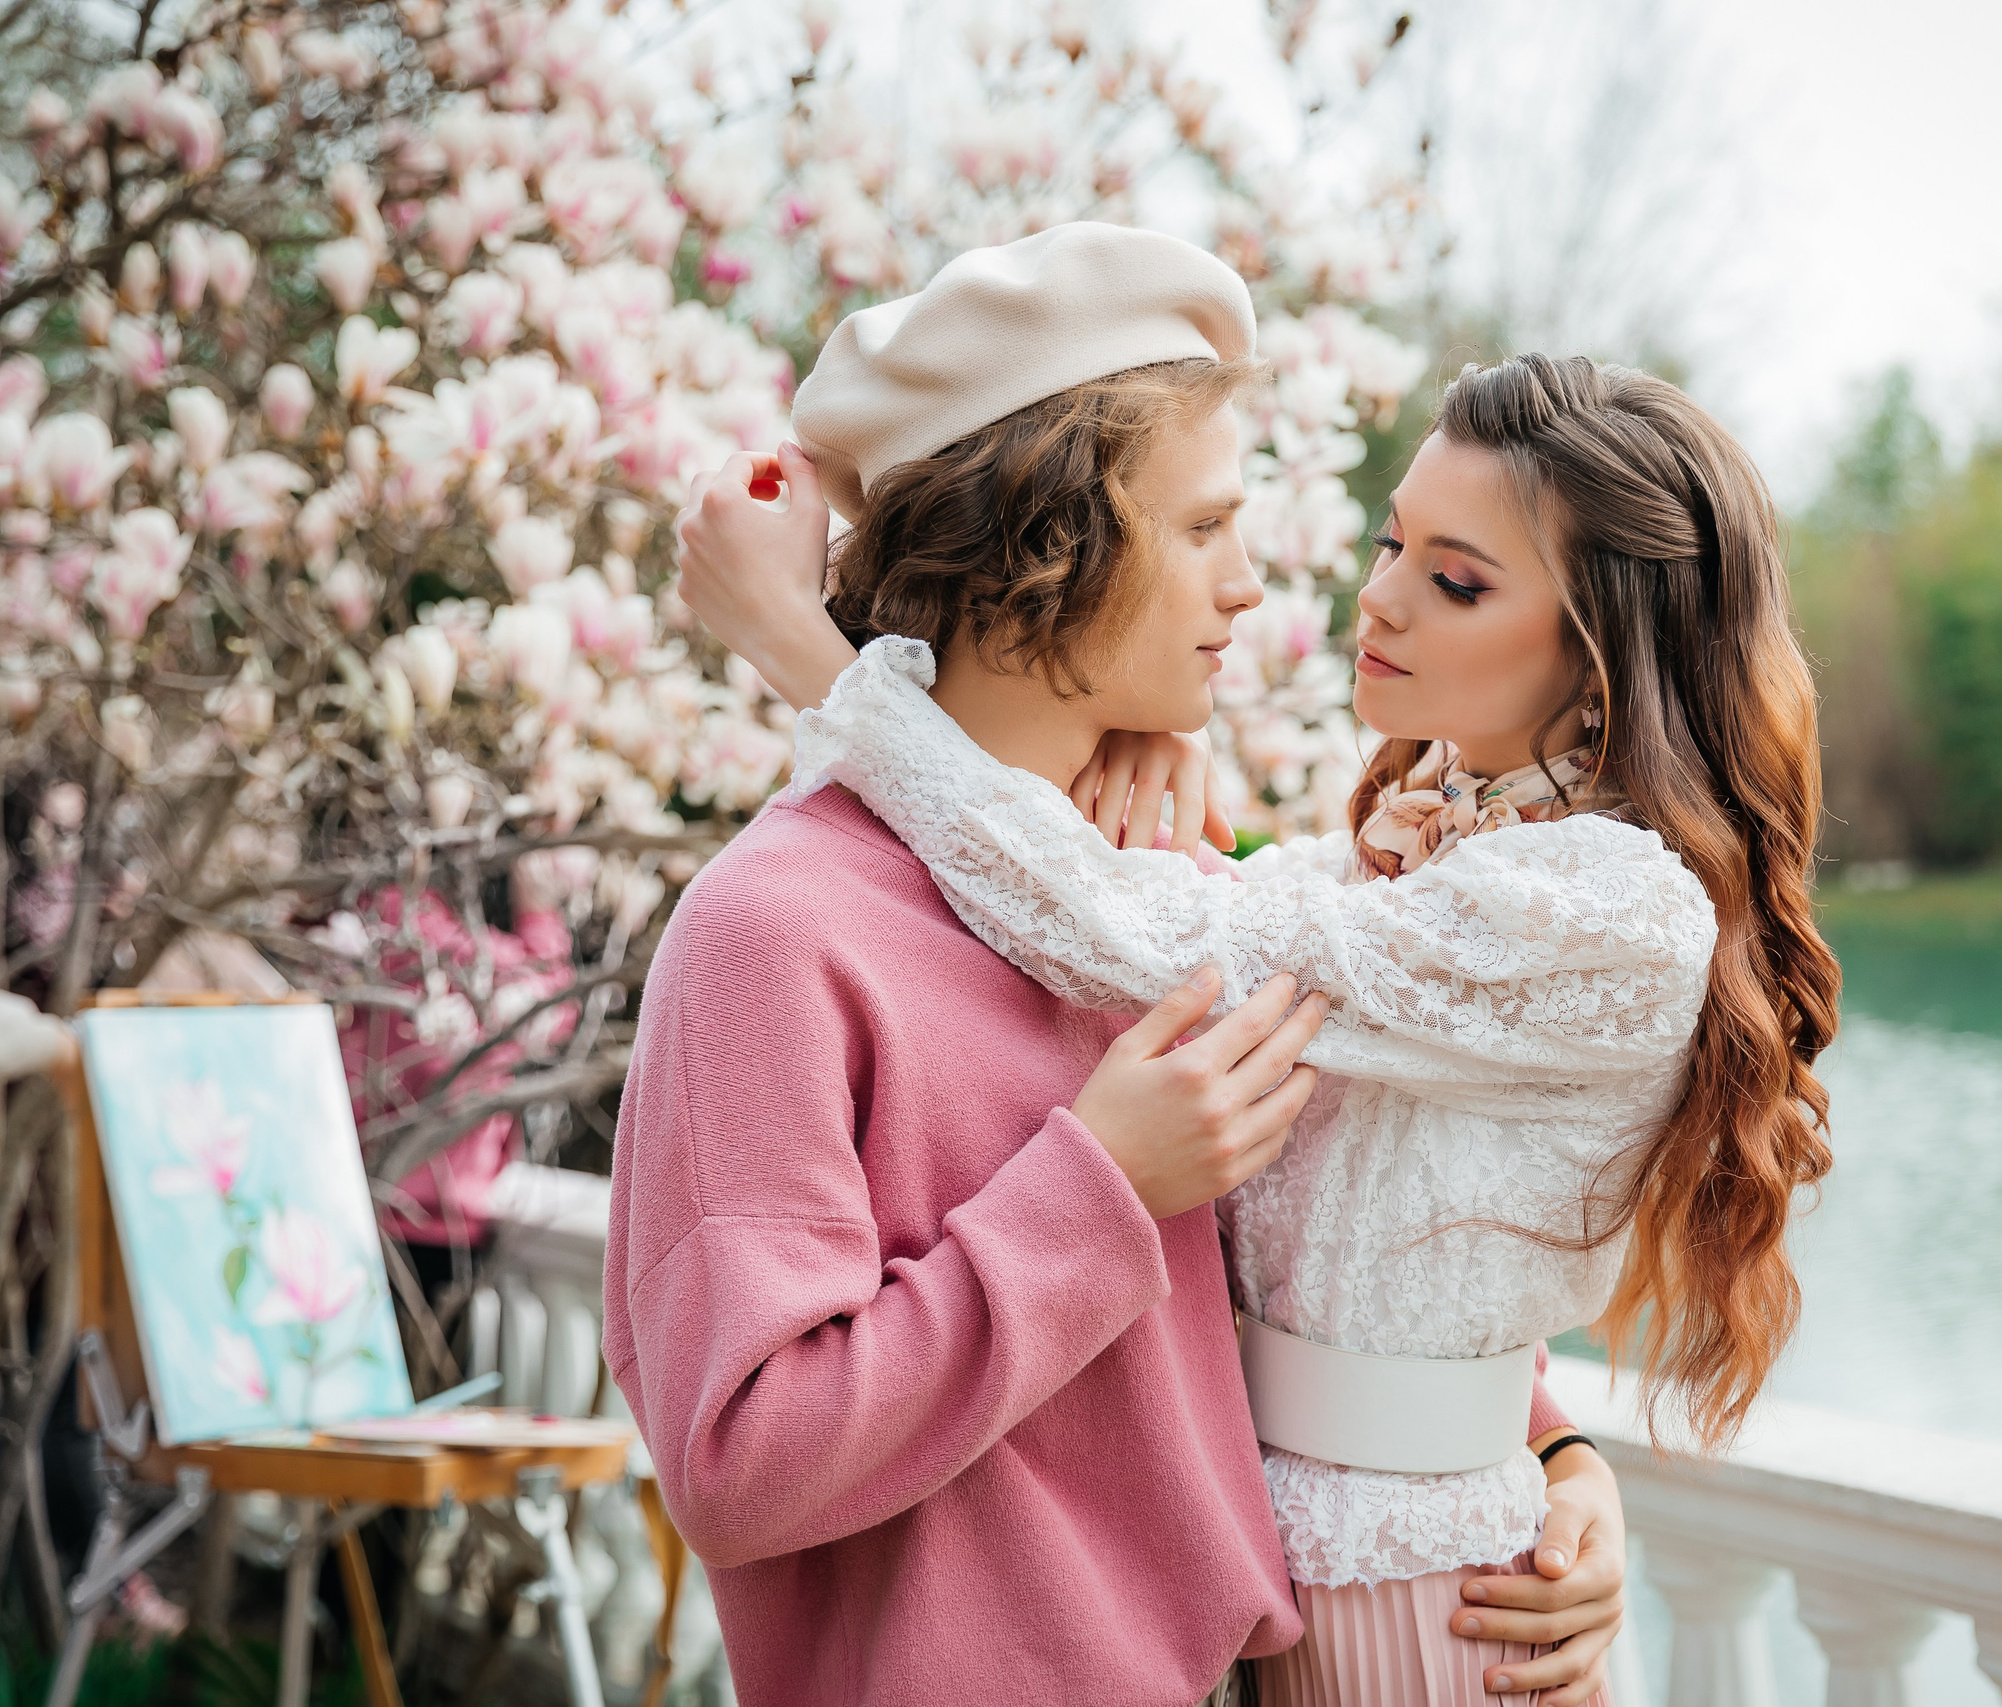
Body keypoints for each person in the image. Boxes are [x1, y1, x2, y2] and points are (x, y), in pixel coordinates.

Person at [691, 314, 1840, 1697]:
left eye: (1456, 580)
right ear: (1051, 559)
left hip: (1391, 1620)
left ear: (1603, 654)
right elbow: (1355, 1209)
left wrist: (1546, 1445)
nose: (1354, 598)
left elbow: (1154, 953)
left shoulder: (1561, 905)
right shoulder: (794, 925)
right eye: (1387, 545)